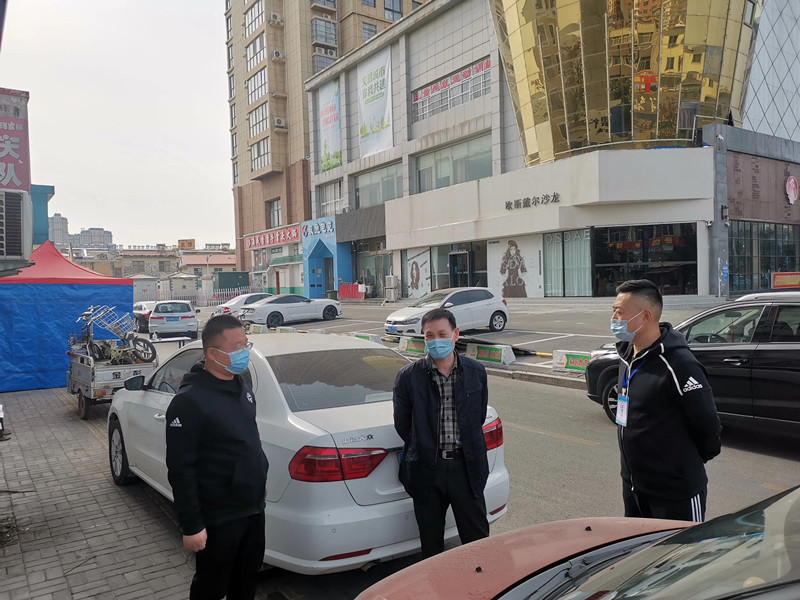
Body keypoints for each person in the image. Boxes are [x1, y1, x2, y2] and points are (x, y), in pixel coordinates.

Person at [166, 315, 268, 600]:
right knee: (211, 586)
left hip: (252, 508)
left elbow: (249, 438)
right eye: (237, 347)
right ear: (212, 353)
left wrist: (259, 478)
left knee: (247, 579)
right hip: (219, 516)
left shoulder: (241, 386)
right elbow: (181, 469)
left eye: (246, 344)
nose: (244, 352)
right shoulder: (190, 401)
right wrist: (192, 526)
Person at [611, 279, 721, 522]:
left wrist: (682, 465)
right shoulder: (627, 355)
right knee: (639, 546)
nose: (614, 319)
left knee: (680, 547)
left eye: (619, 312)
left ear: (645, 316)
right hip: (634, 488)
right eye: (613, 312)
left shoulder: (679, 363)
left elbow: (707, 424)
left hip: (674, 494)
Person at [393, 308, 490, 558]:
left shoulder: (476, 372)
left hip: (466, 468)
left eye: (442, 334)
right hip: (427, 470)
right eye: (429, 336)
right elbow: (403, 425)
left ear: (455, 334)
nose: (436, 341)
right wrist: (425, 447)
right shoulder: (409, 377)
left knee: (477, 542)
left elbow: (477, 418)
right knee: (431, 544)